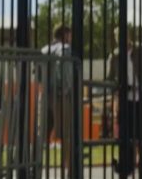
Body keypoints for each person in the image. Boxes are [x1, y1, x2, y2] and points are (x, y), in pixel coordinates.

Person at [107, 29, 142, 177]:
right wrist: (118, 87)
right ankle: (126, 165)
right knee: (126, 133)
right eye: (119, 37)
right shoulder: (115, 56)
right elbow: (110, 79)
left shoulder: (140, 51)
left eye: (125, 36)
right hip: (126, 98)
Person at [42, 25, 79, 177]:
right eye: (69, 36)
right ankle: (70, 170)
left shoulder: (44, 50)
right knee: (67, 134)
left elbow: (36, 74)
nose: (70, 39)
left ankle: (35, 167)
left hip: (44, 96)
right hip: (61, 96)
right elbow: (66, 74)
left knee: (43, 133)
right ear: (65, 35)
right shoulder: (65, 49)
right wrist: (65, 90)